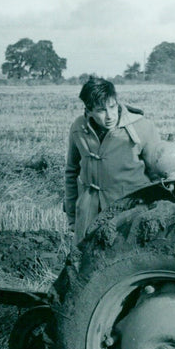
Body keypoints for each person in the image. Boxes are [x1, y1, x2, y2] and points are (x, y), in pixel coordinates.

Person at [64, 76, 162, 243]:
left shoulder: (143, 127)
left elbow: (158, 175)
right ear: (89, 110)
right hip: (88, 214)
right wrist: (73, 217)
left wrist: (155, 214)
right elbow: (71, 173)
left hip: (129, 213)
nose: (109, 116)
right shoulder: (78, 128)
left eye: (112, 107)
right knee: (84, 263)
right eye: (101, 110)